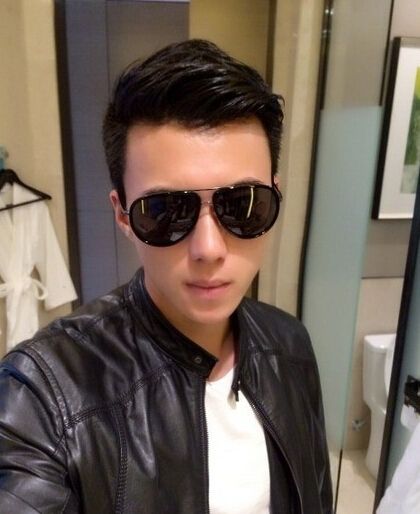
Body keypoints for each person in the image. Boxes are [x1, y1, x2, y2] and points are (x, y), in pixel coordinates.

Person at [0, 39, 332, 513]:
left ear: (275, 196)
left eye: (243, 205)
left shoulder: (290, 345)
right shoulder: (43, 396)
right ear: (122, 214)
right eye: (164, 211)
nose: (209, 249)